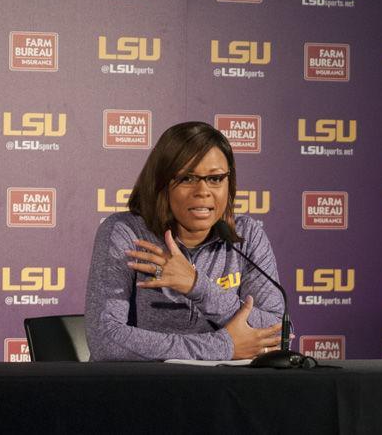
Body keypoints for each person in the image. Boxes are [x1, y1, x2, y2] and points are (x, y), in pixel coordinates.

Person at [85, 121, 283, 361]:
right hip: (148, 389)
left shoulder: (246, 235)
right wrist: (222, 346)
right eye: (187, 178)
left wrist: (197, 286)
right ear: (161, 183)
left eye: (215, 179)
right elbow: (105, 340)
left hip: (226, 391)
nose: (203, 191)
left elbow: (278, 332)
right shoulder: (126, 232)